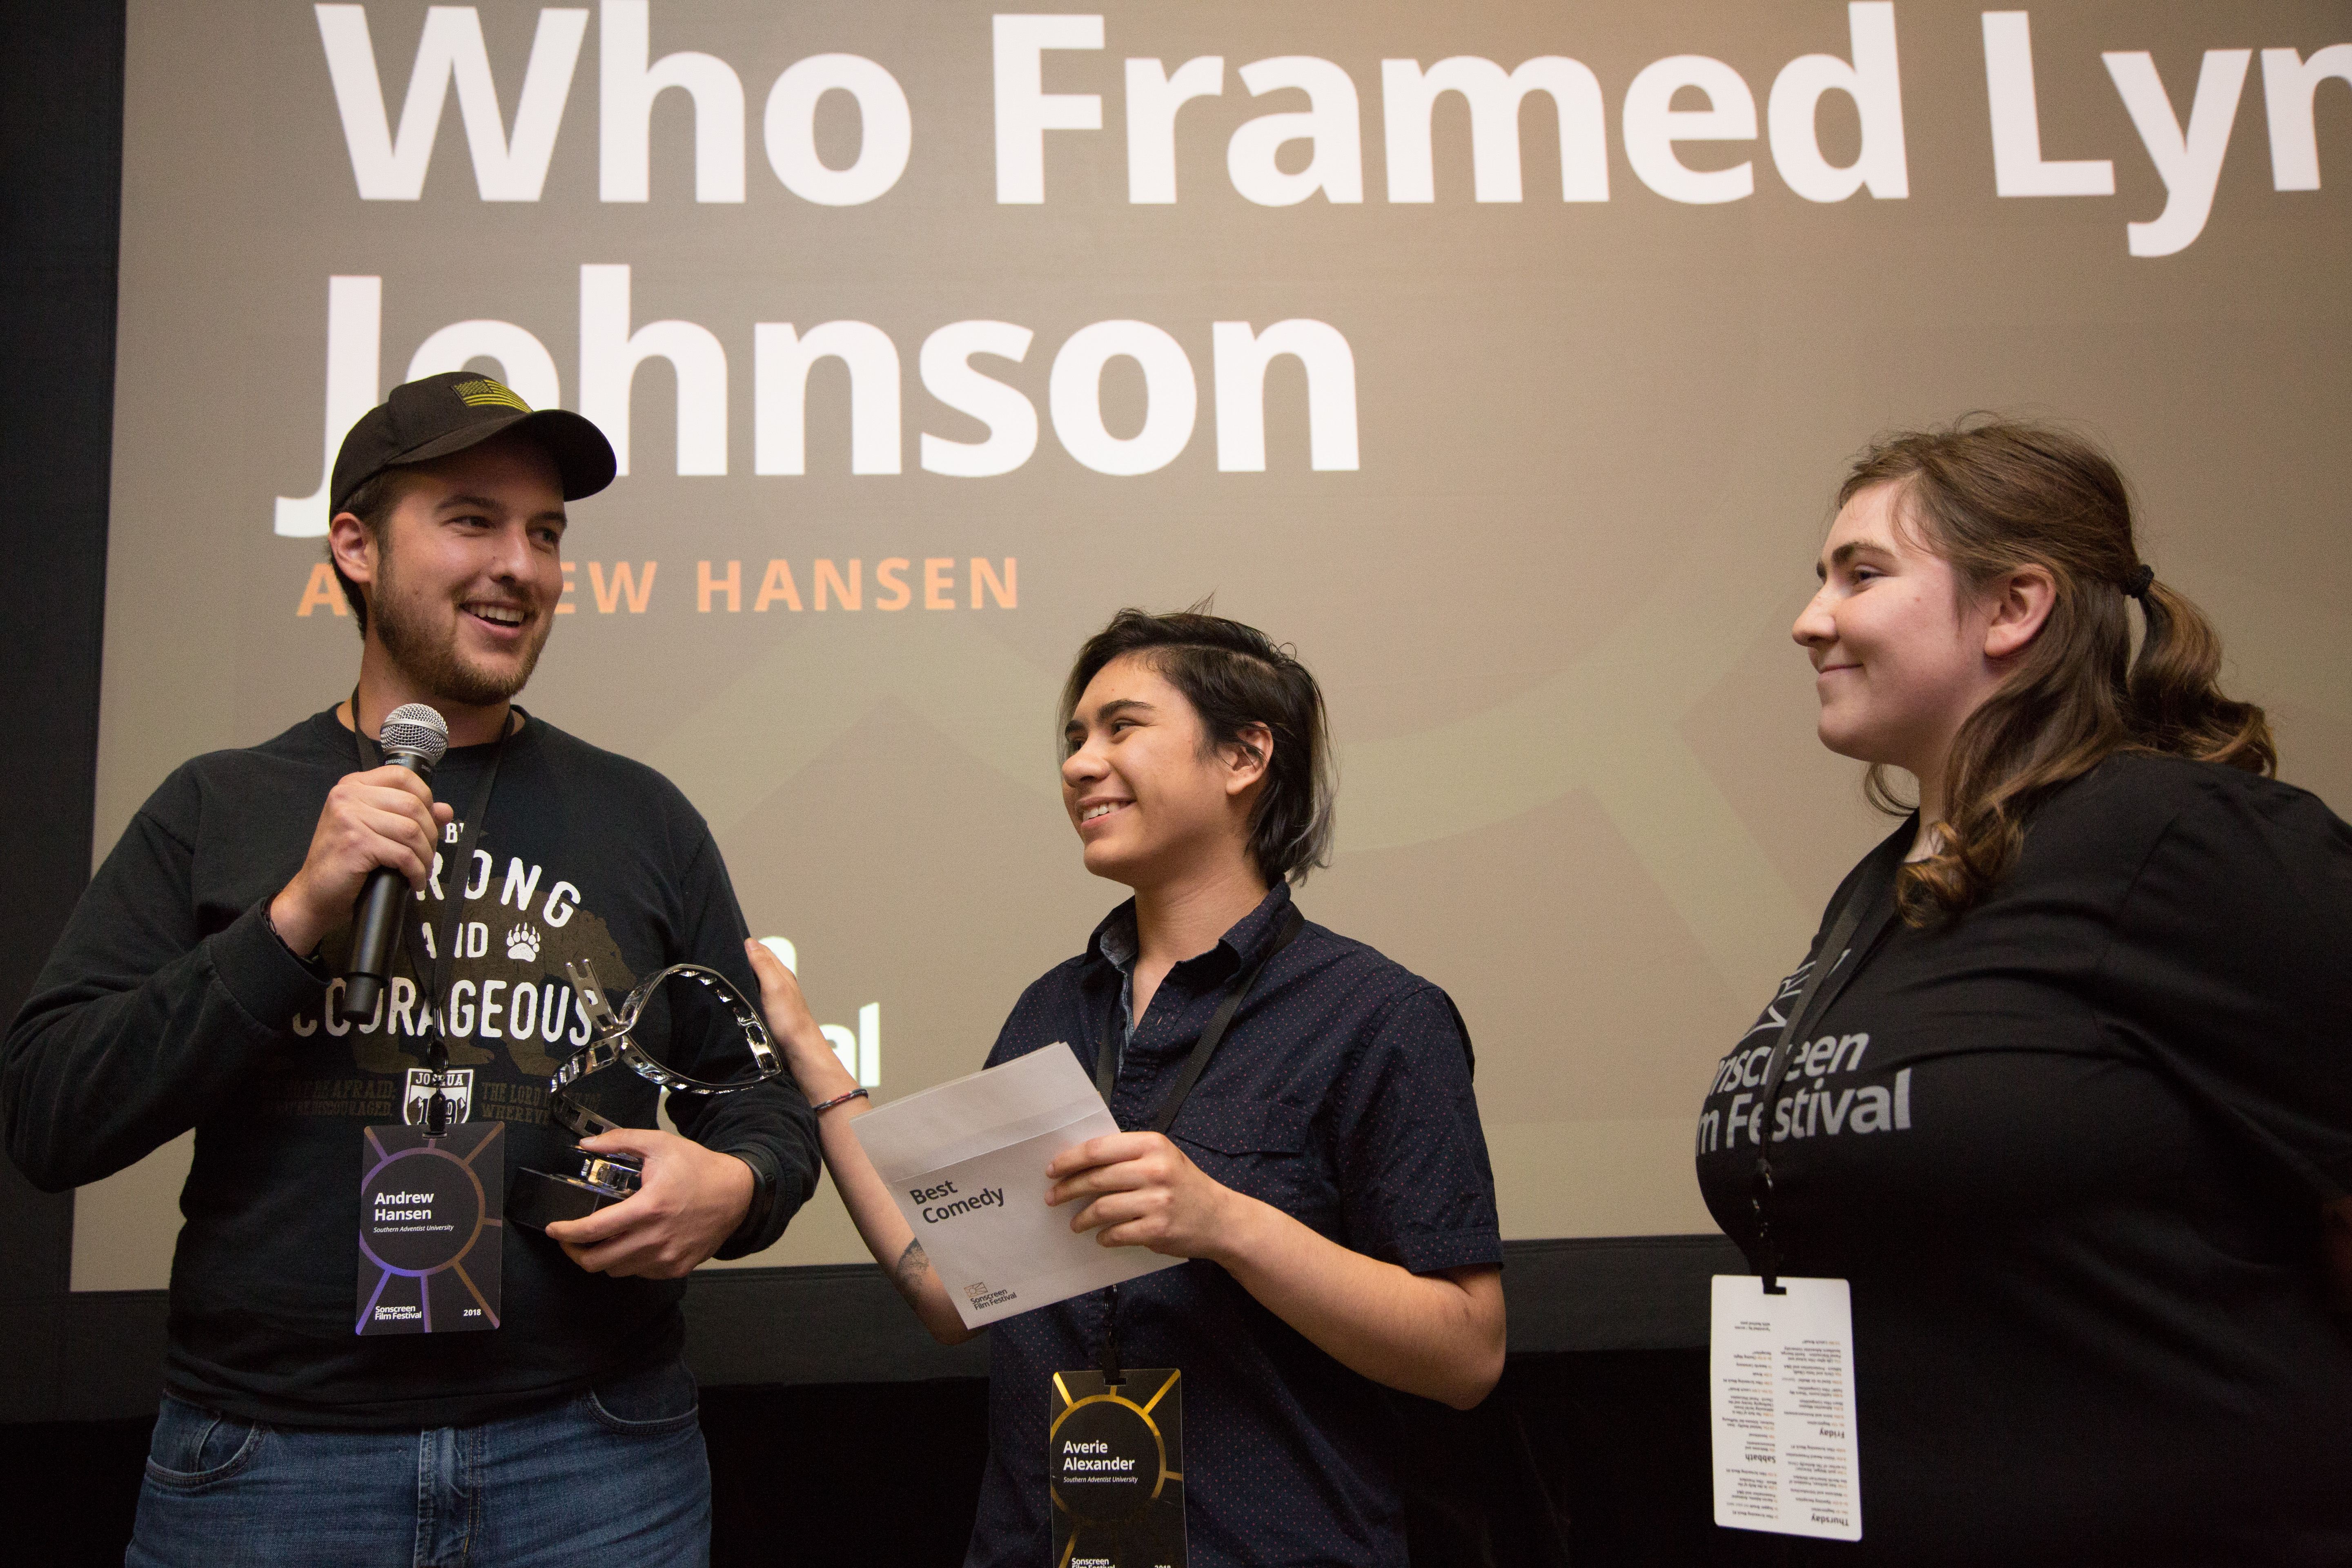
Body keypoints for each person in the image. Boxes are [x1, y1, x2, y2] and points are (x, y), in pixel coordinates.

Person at [2, 372, 819, 1566]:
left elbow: (759, 1101)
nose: (522, 567)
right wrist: (293, 917)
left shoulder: (642, 816)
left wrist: (738, 1188)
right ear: (356, 546)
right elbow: (49, 1112)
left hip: (594, 1460)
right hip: (271, 1467)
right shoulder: (219, 805)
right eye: (473, 521)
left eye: (546, 534)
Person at [1694, 419, 2352, 1565]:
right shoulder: (1878, 890)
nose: (1810, 620)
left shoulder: (2183, 841)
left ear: (2015, 607)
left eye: (1861, 574)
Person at [744, 606, 1506, 1567]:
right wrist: (810, 1054)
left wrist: (1226, 1224)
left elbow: (1467, 1355)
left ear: (1244, 757)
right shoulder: (1052, 1009)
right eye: (1074, 739)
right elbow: (948, 1293)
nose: (1079, 764)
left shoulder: (1378, 1016)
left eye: (1121, 728)